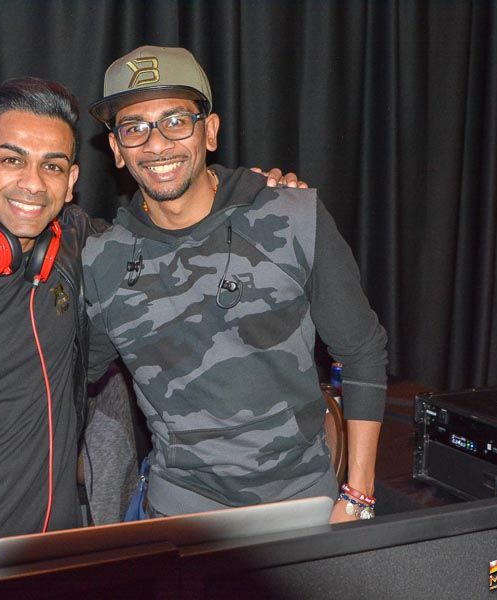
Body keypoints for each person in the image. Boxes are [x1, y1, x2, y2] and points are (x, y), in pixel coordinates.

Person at [0, 76, 301, 578]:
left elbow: (175, 229)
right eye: (12, 160)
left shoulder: (80, 249)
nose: (33, 183)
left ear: (71, 183)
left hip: (59, 565)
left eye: (51, 166)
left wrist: (246, 193)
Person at [83, 46, 388, 523]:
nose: (156, 144)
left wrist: (358, 496)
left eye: (175, 121)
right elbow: (60, 380)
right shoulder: (102, 262)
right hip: (177, 519)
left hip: (303, 510)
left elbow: (362, 350)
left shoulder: (293, 216)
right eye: (134, 127)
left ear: (209, 131)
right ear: (117, 149)